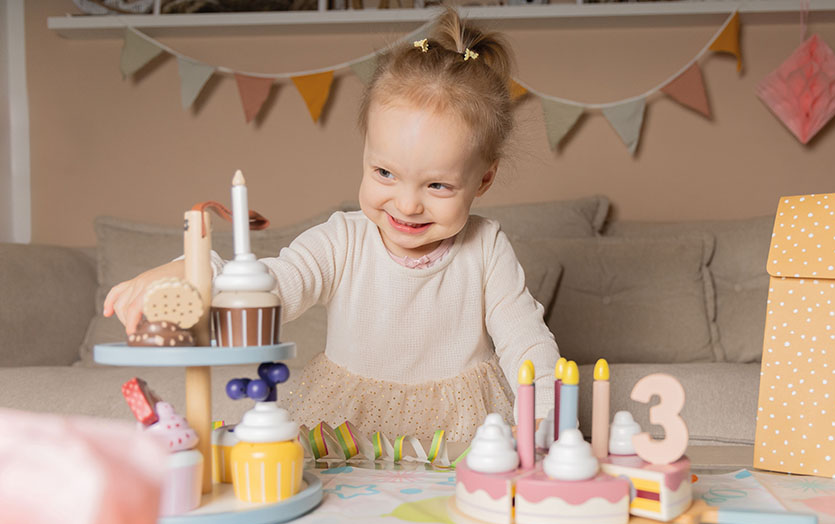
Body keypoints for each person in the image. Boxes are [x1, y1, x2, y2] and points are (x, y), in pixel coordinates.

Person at [103, 8, 559, 454]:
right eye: (384, 173)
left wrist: (543, 423)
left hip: (457, 437)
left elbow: (528, 344)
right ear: (365, 152)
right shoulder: (341, 241)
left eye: (437, 184)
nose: (407, 203)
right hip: (348, 433)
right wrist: (197, 270)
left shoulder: (486, 249)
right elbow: (270, 286)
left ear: (483, 179)